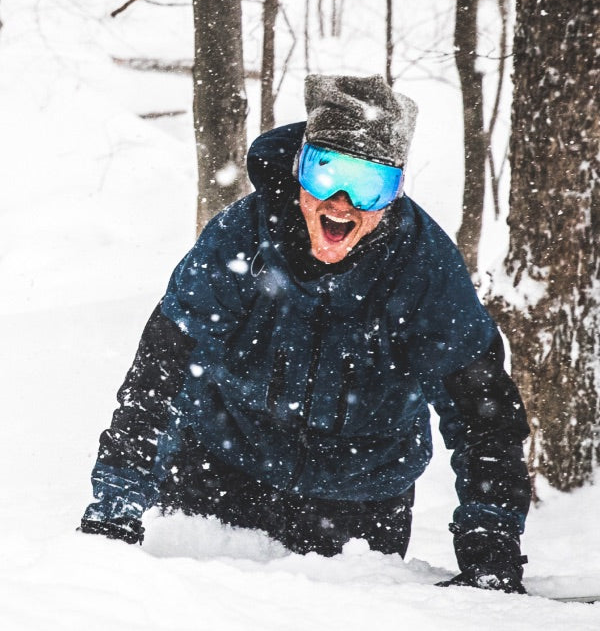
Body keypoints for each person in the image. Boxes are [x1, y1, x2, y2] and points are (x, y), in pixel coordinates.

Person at [80, 74, 531, 593]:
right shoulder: (241, 239)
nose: (342, 203)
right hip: (215, 473)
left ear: (394, 195)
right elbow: (159, 375)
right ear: (299, 169)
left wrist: (489, 547)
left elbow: (483, 416)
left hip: (358, 504)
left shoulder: (424, 269)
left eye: (369, 185)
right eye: (327, 173)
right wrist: (115, 508)